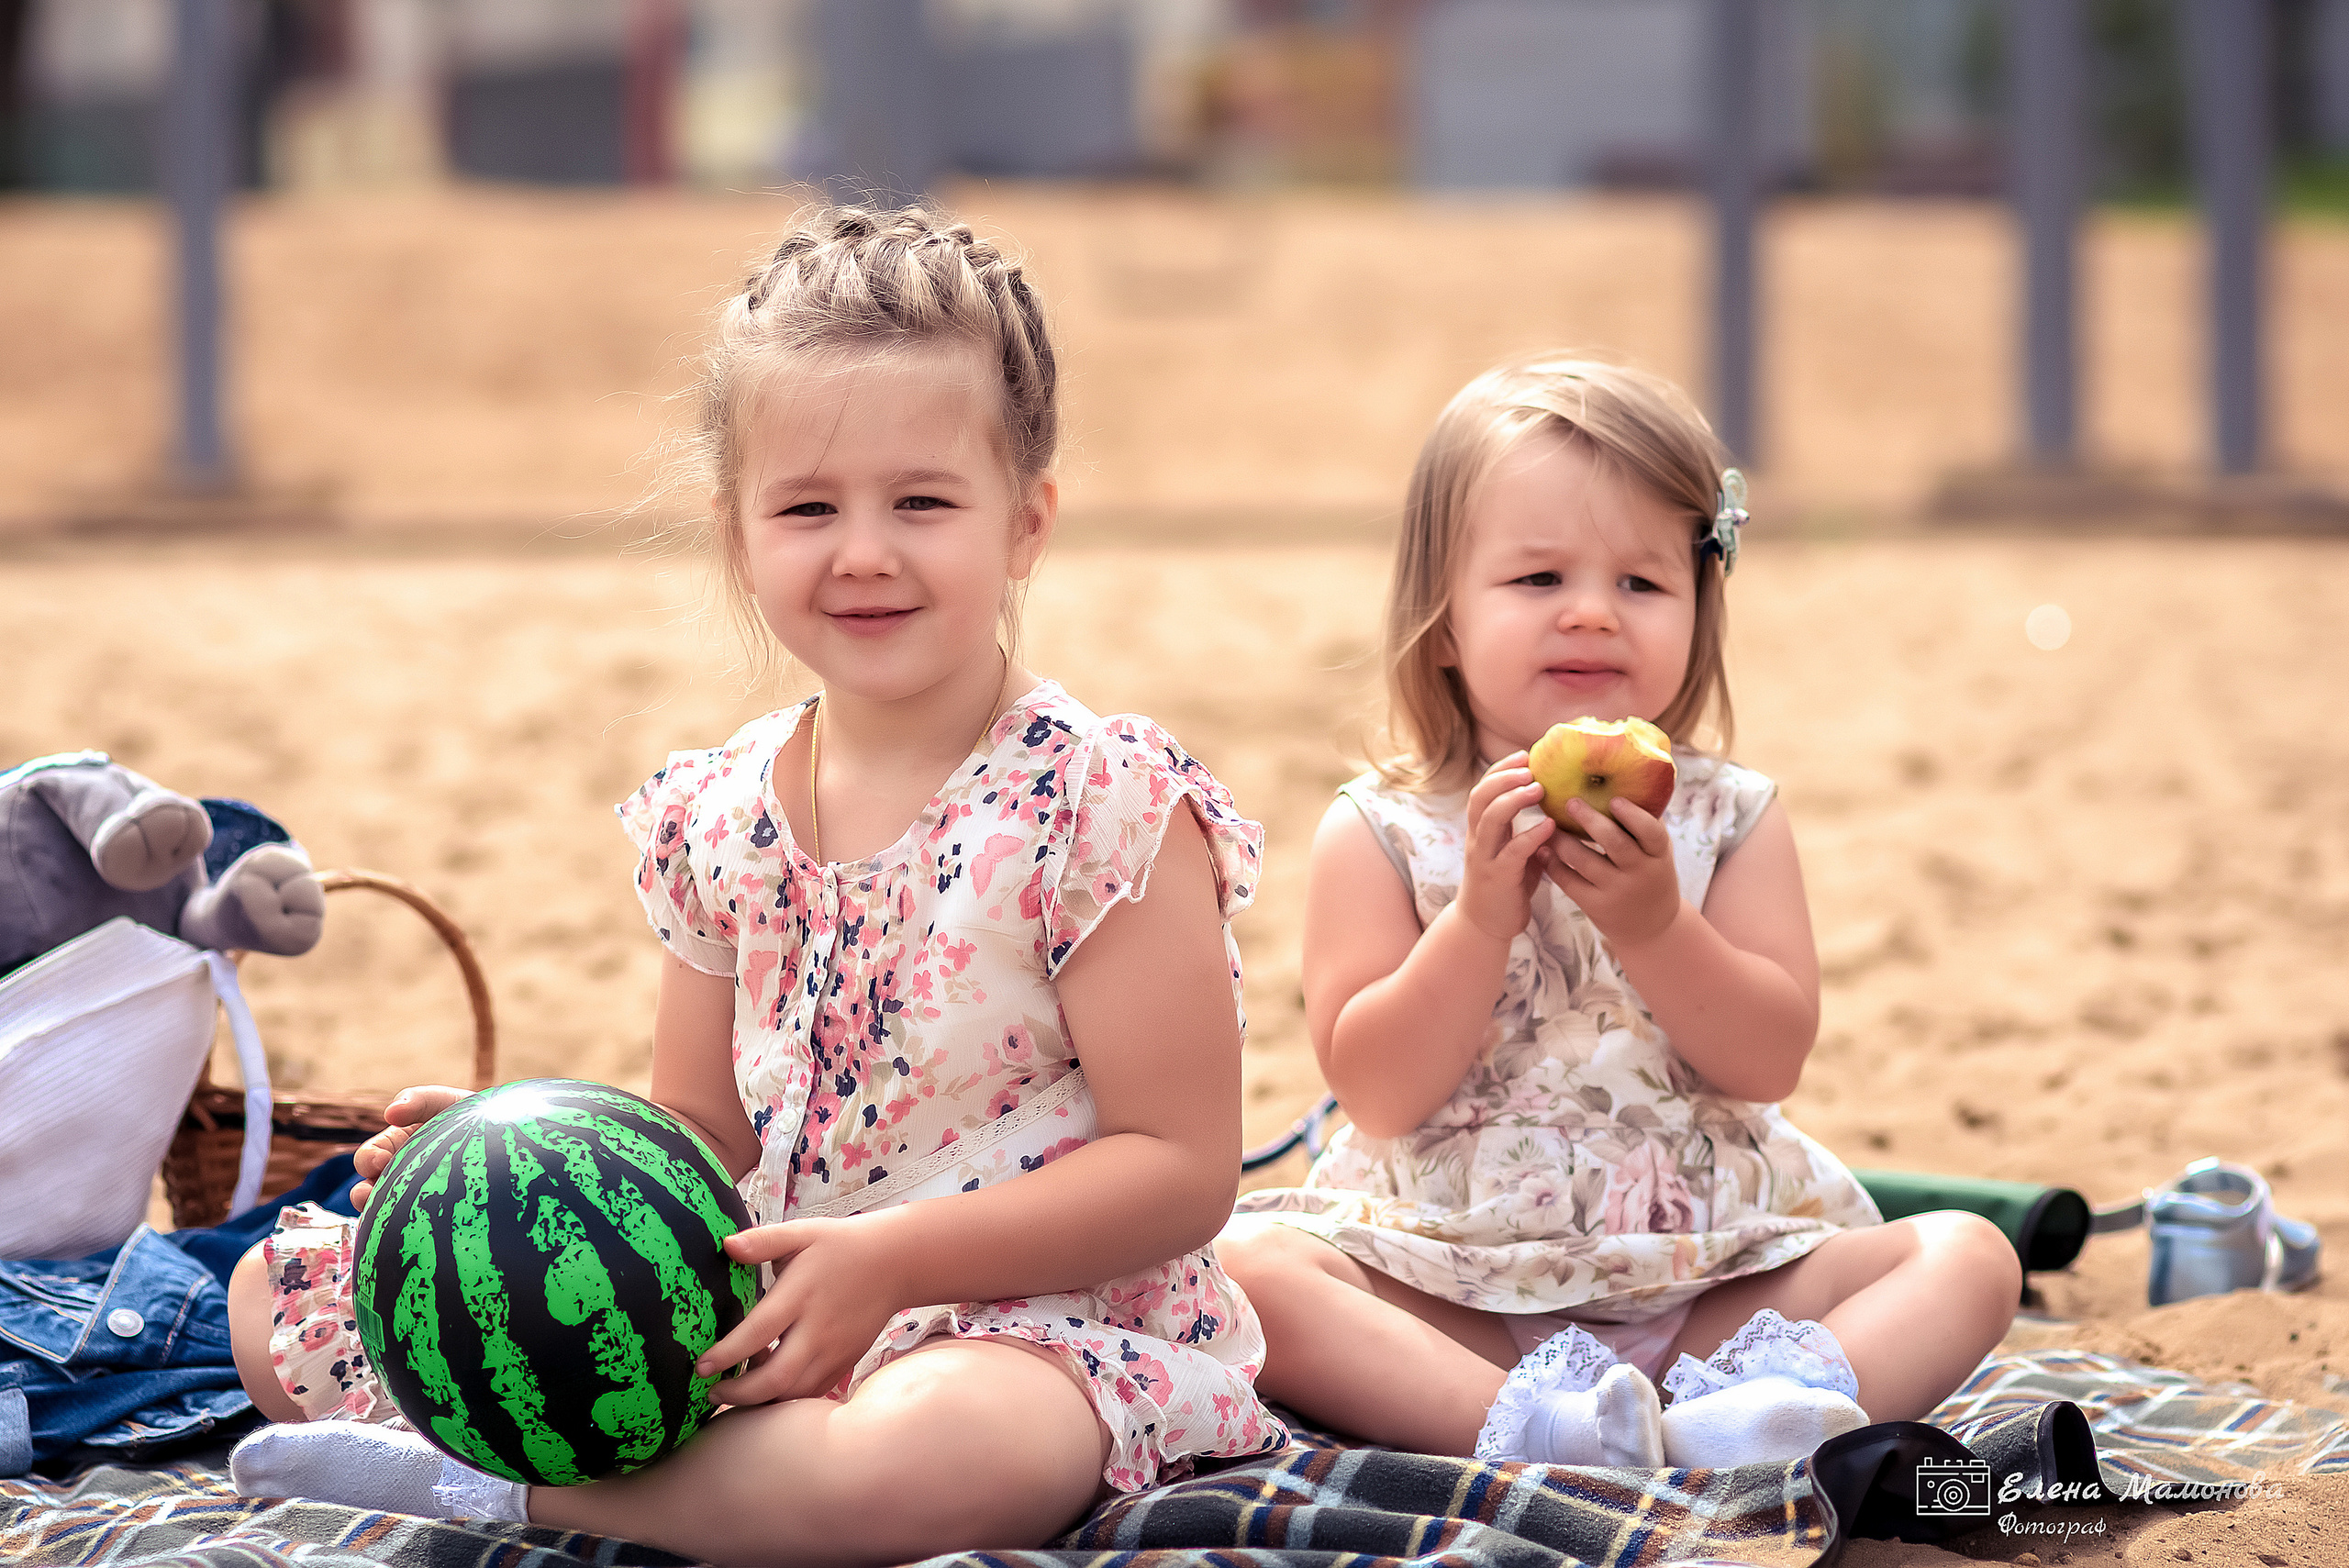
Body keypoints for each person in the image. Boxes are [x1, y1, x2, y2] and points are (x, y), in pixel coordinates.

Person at [218, 206, 1285, 1567]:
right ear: (737, 535)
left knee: (915, 1467)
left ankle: (503, 1494)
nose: (863, 551)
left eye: (923, 500)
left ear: (1026, 524)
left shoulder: (1103, 809)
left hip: (1030, 1323)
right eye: (807, 507)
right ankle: (674, 1474)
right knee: (282, 1289)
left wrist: (895, 1261)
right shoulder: (718, 814)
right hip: (767, 1298)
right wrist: (521, 1156)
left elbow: (1180, 1170)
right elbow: (697, 1131)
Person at [1217, 356, 2020, 1471]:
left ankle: (1752, 1409)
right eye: (1539, 577)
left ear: (1701, 605)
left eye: (1643, 584)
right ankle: (1538, 1425)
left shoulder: (1726, 816)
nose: (1592, 611)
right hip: (1457, 1277)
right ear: (1442, 619)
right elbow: (1378, 1086)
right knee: (1247, 1271)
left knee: (1968, 1256)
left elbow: (1766, 1055)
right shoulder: (1384, 828)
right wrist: (1478, 919)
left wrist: (1657, 925)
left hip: (1709, 1273)